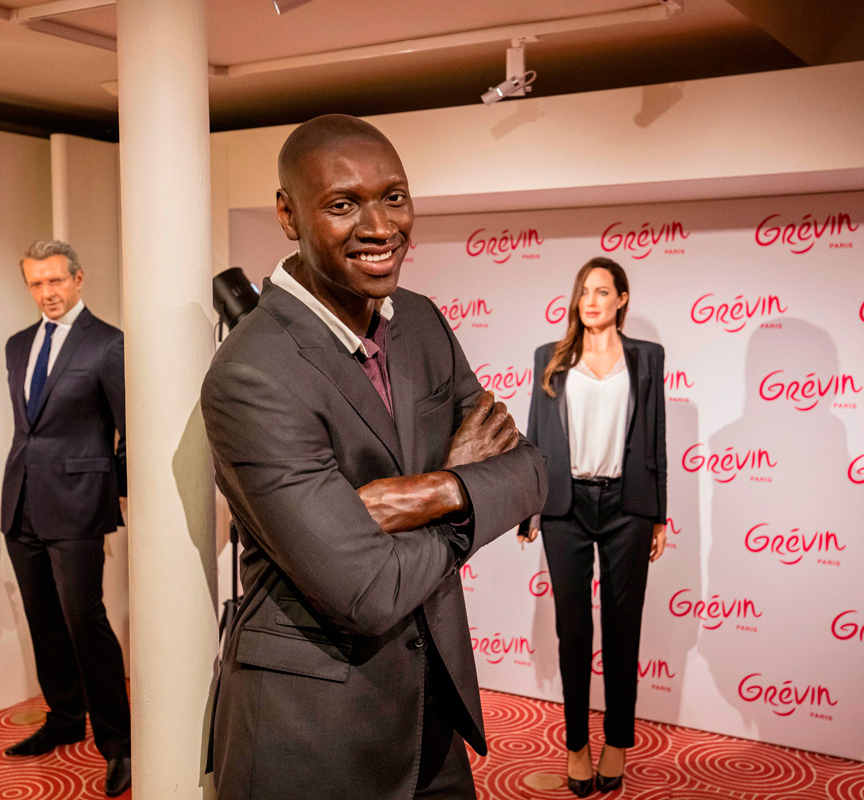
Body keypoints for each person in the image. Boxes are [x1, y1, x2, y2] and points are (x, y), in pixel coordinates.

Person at [201, 114, 547, 800]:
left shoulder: (419, 319)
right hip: (314, 731)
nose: (380, 226)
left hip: (433, 715)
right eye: (341, 204)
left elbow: (531, 468)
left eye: (394, 196)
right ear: (287, 214)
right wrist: (474, 490)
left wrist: (423, 492)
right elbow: (365, 590)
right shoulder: (252, 373)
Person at [517, 257, 667, 796]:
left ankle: (617, 743)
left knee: (624, 629)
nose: (591, 300)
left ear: (622, 299)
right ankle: (576, 745)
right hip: (566, 507)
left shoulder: (647, 359)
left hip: (629, 506)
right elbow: (534, 441)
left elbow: (656, 438)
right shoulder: (550, 359)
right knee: (574, 631)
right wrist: (529, 507)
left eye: (603, 291)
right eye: (584, 291)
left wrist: (659, 514)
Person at [0, 239, 131, 797]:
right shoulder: (17, 345)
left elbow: (129, 429)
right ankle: (61, 718)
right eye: (36, 283)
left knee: (86, 622)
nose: (46, 293)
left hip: (79, 504)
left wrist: (113, 494)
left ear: (79, 278)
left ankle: (118, 744)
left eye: (55, 281)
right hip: (21, 499)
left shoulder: (108, 344)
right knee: (43, 620)